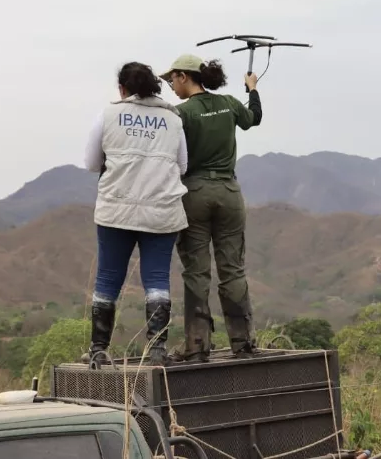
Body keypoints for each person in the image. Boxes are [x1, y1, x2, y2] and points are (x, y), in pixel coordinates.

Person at [80, 61, 189, 366]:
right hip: (162, 210)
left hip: (116, 209)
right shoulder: (172, 118)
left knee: (107, 278)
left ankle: (99, 351)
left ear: (122, 89)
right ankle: (156, 350)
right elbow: (182, 166)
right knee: (156, 279)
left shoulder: (109, 114)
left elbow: (91, 163)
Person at [158, 54, 263, 363]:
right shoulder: (230, 103)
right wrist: (252, 89)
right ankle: (243, 343)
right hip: (230, 193)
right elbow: (254, 118)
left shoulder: (180, 113)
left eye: (171, 80)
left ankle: (196, 345)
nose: (170, 86)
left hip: (195, 193)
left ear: (183, 76)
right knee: (233, 269)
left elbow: (169, 155)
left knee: (197, 272)